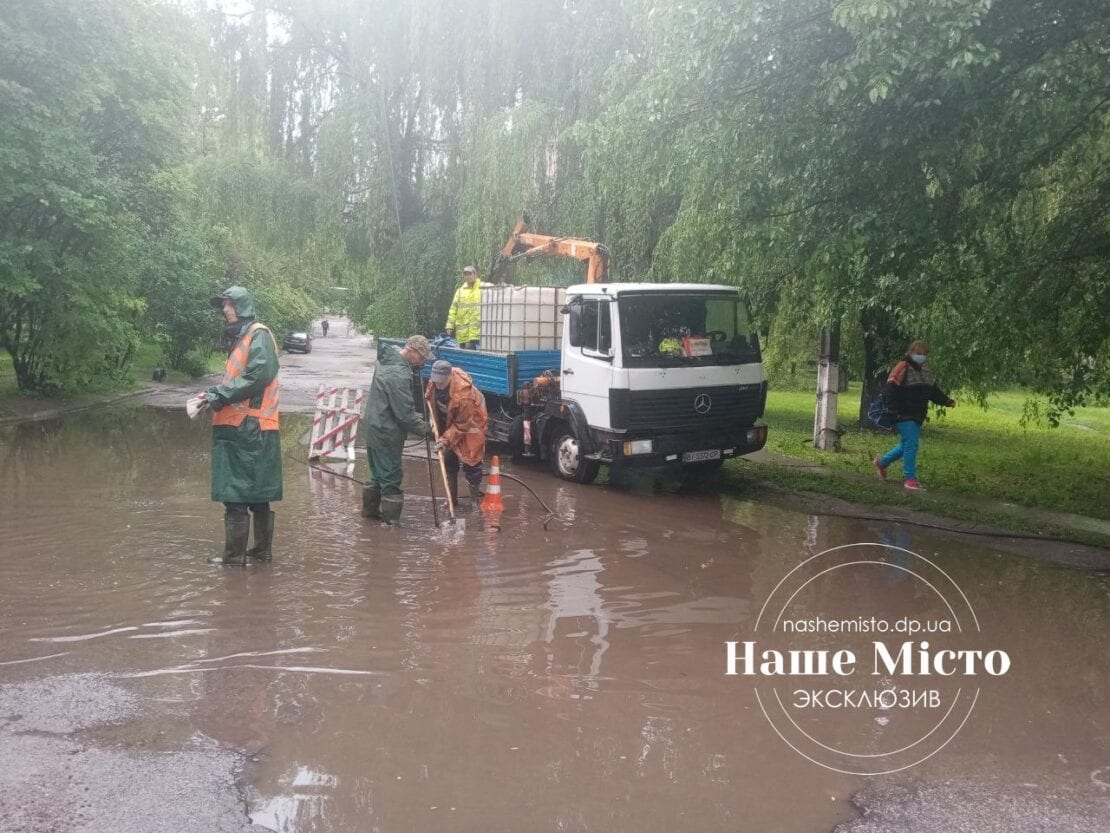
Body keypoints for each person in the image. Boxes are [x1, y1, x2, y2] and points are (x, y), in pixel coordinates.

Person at [202, 286, 283, 565]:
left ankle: (234, 559)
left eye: (229, 304)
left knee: (236, 495)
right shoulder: (246, 337)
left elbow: (256, 377)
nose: (224, 310)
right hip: (249, 427)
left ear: (243, 306)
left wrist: (216, 395)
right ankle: (260, 554)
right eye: (223, 305)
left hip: (248, 429)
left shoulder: (257, 334)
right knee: (257, 494)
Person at [362, 335, 433, 524]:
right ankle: (390, 527)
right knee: (391, 478)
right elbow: (404, 415)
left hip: (374, 425)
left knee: (378, 475)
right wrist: (426, 428)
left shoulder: (387, 361)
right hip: (386, 432)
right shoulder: (399, 374)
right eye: (421, 357)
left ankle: (369, 520)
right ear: (411, 351)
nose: (422, 362)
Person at [874, 340, 956, 492]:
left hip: (917, 414)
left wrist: (946, 401)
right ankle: (910, 479)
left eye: (924, 354)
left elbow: (933, 391)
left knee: (907, 444)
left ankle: (882, 463)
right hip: (903, 413)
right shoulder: (902, 366)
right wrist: (893, 410)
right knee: (911, 444)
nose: (922, 357)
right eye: (919, 353)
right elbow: (890, 389)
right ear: (910, 352)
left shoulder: (925, 371)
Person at [426, 360, 488, 510]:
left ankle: (474, 503)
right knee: (448, 459)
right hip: (450, 423)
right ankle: (451, 500)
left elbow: (462, 424)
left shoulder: (463, 394)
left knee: (471, 462)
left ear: (449, 376)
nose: (438, 385)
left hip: (471, 424)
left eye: (441, 382)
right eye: (436, 381)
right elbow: (430, 402)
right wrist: (436, 430)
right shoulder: (434, 382)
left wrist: (446, 439)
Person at [445, 265, 482, 349]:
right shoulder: (460, 291)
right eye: (465, 274)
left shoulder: (482, 288)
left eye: (470, 274)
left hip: (477, 334)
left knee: (473, 357)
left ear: (475, 275)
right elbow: (453, 310)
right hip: (462, 335)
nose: (468, 276)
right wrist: (449, 325)